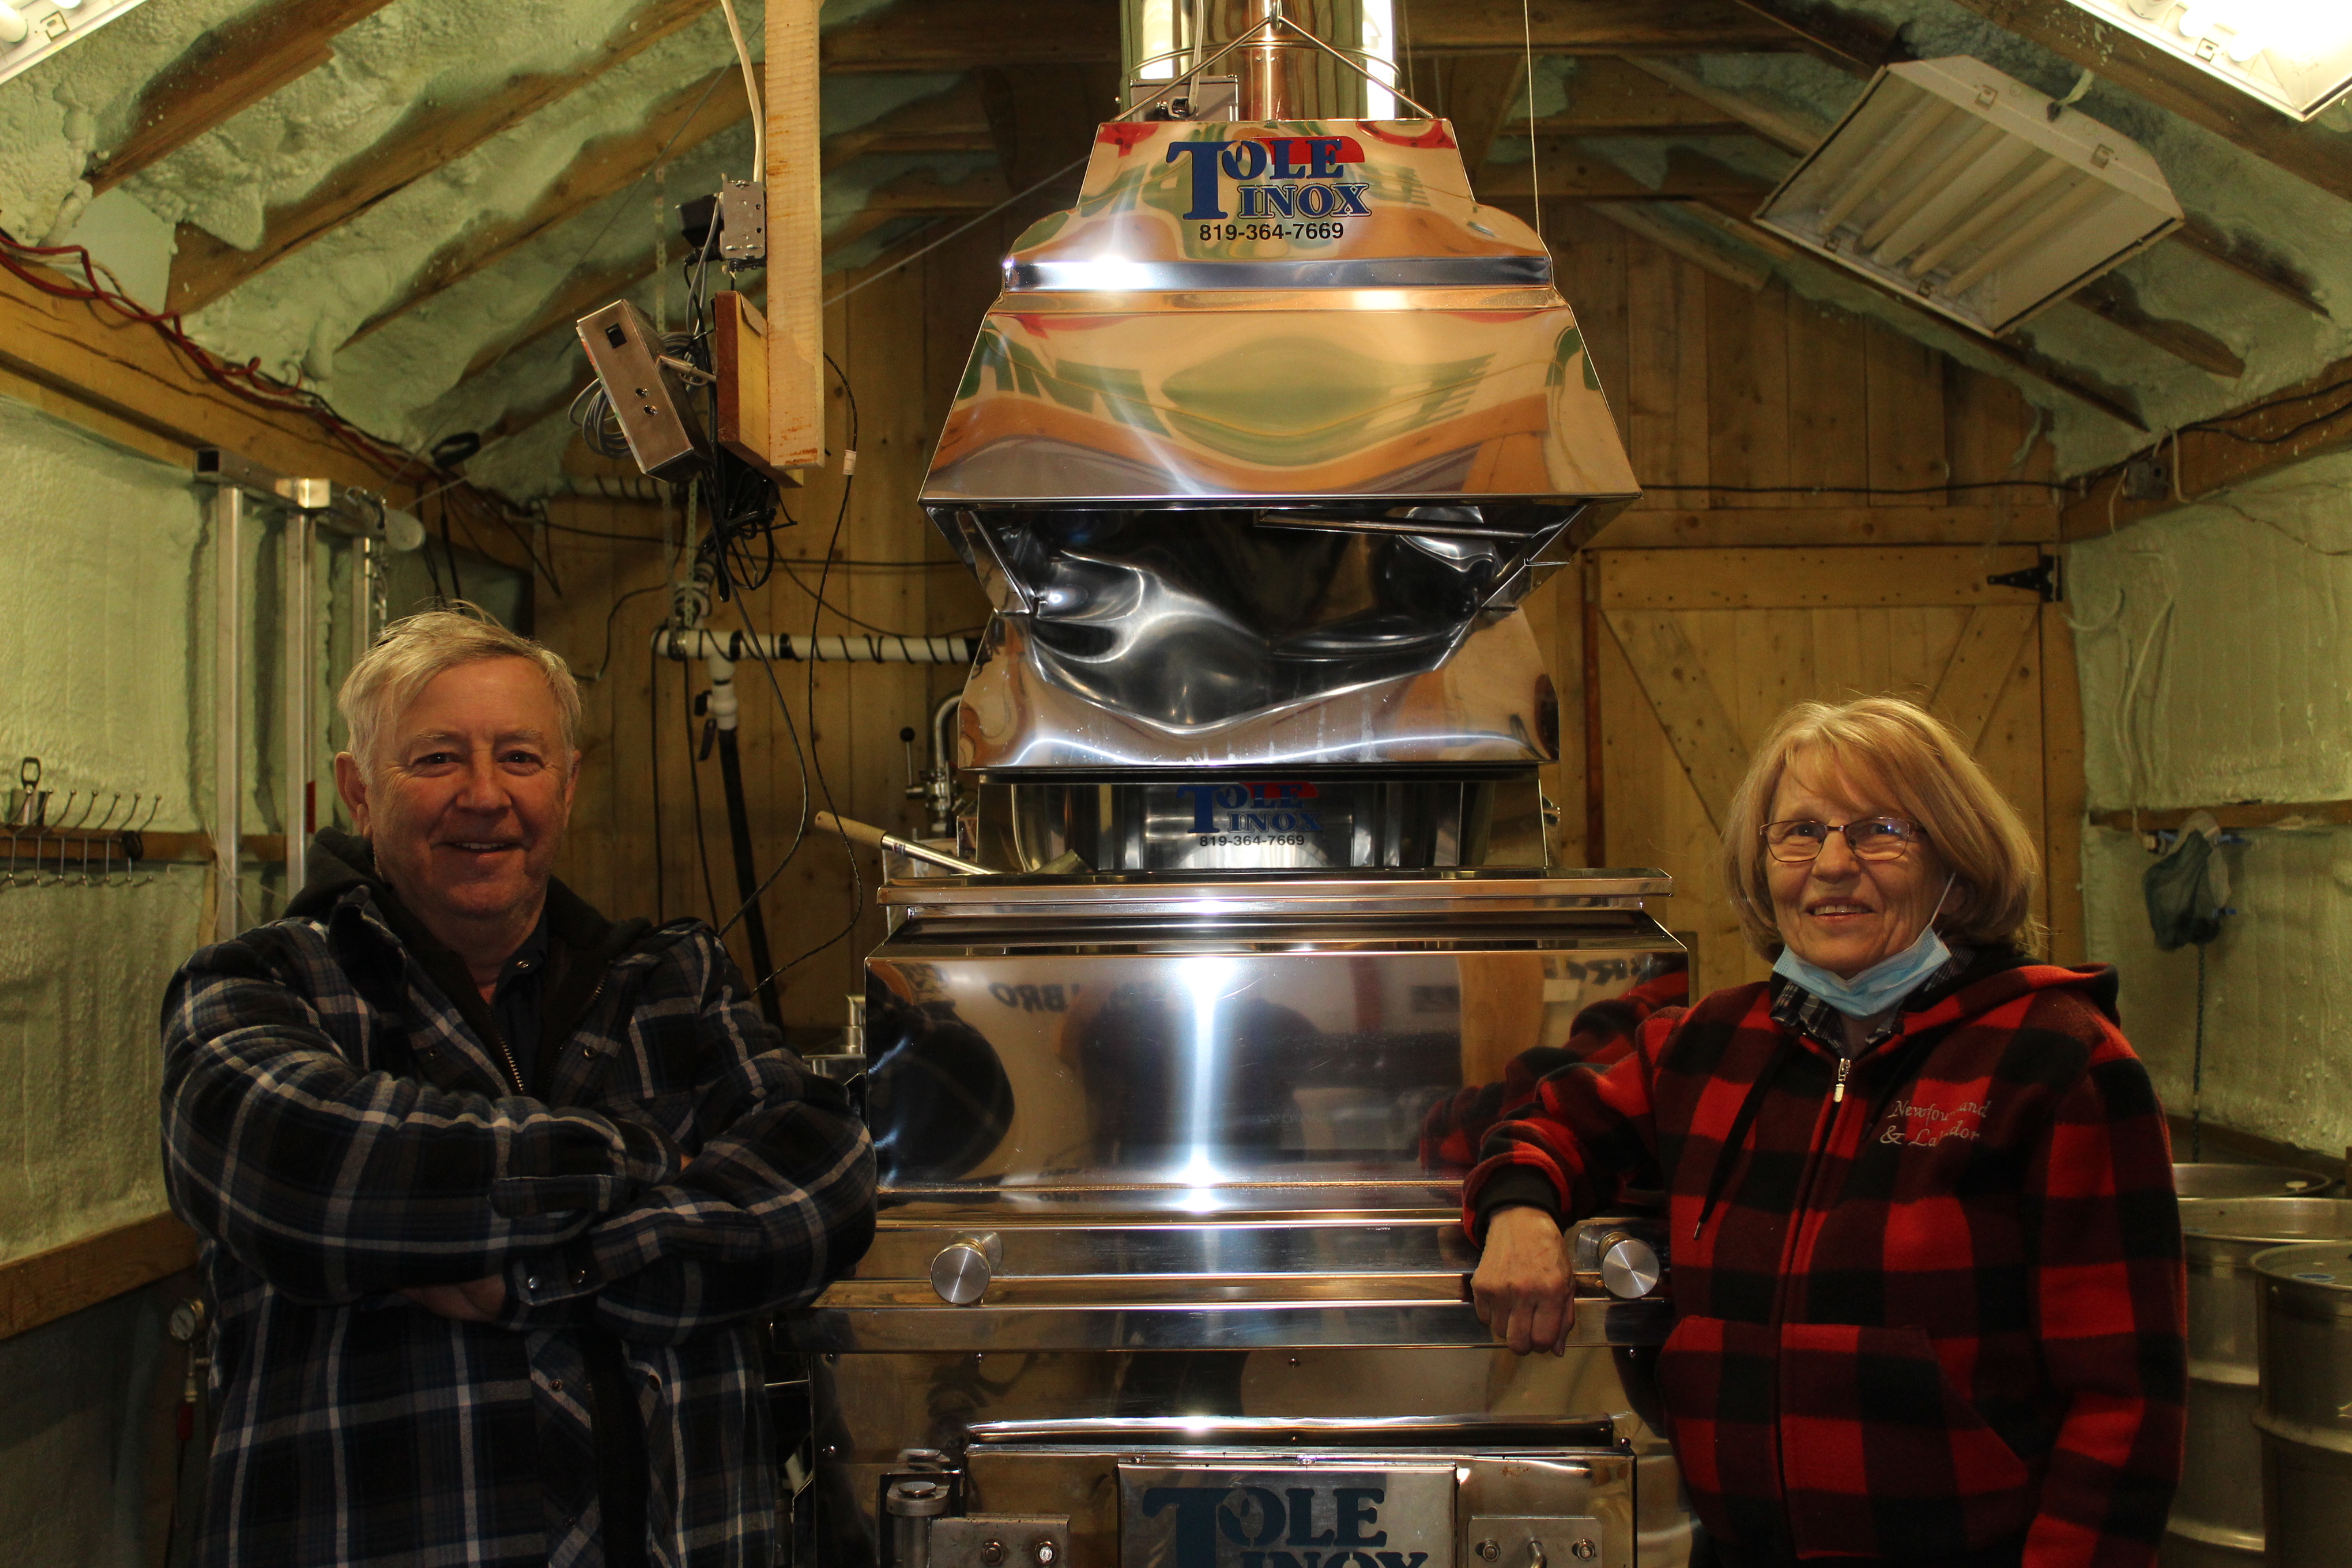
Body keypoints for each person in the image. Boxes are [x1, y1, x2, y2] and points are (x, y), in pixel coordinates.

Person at [160, 607, 877, 1568]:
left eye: (520, 758)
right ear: (359, 791)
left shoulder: (674, 981)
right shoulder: (256, 988)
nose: (485, 796)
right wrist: (652, 1156)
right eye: (437, 759)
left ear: (568, 786)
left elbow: (823, 1187)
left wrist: (544, 1274)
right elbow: (314, 1177)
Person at [1466, 696, 2185, 1568]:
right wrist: (1519, 1210)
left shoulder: (2058, 1061)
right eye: (1799, 833)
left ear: (1957, 857)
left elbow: (2123, 1407)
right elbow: (1549, 1120)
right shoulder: (1711, 1045)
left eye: (1881, 830)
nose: (1833, 865)